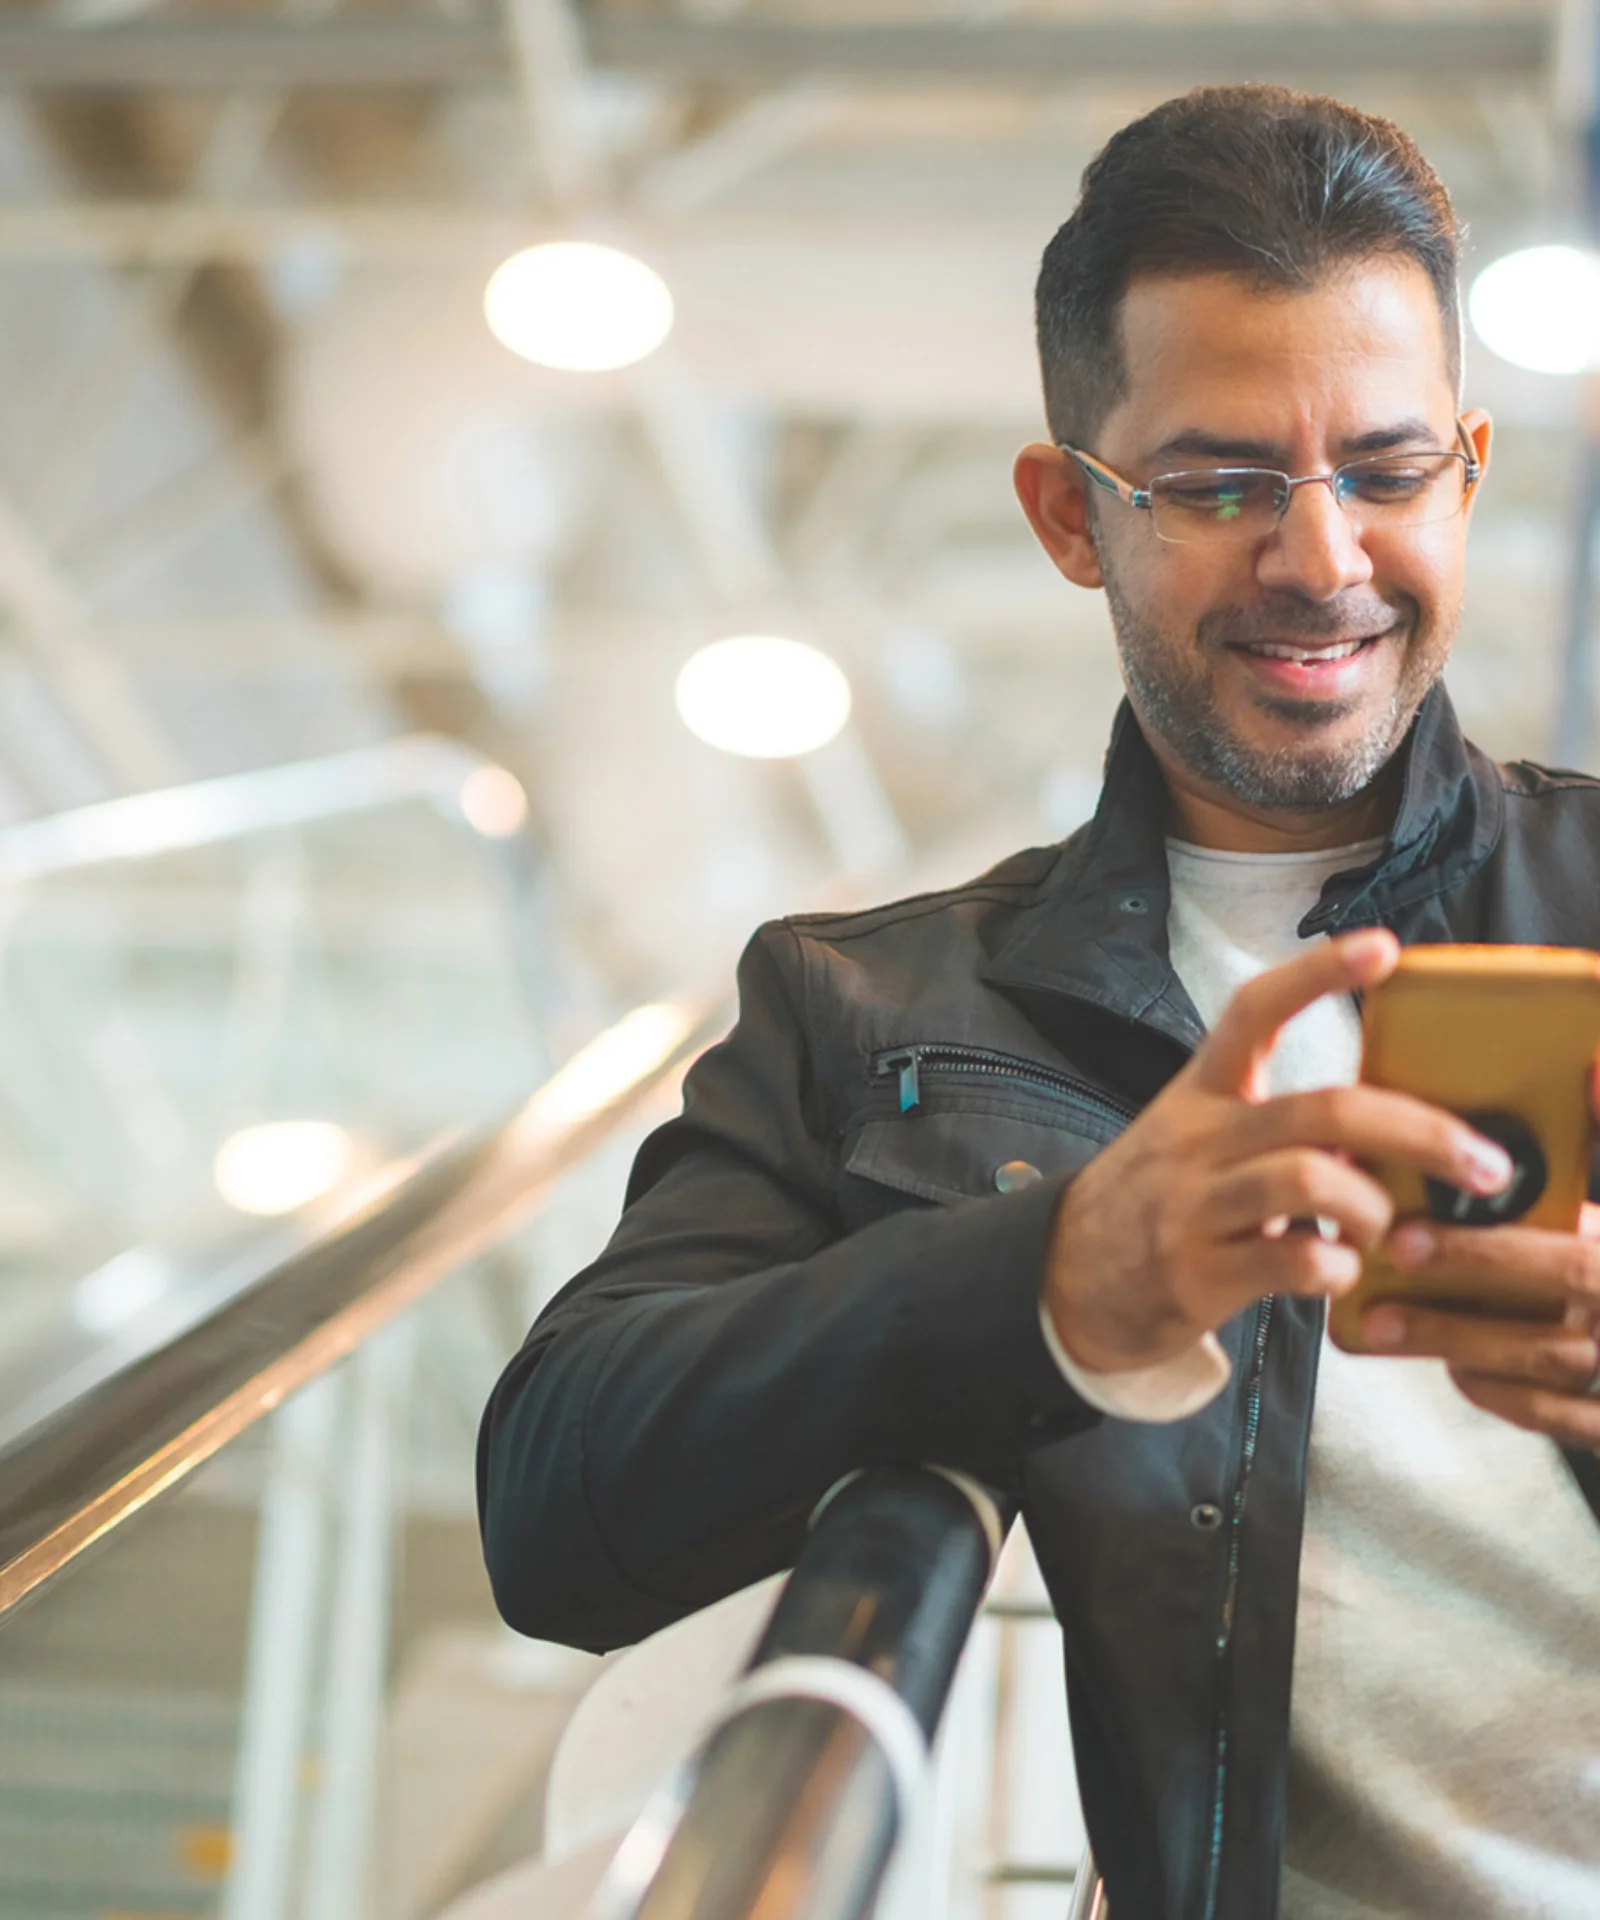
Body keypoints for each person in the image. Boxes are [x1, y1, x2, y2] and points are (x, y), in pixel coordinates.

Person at [478, 86, 1600, 1919]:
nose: (1322, 559)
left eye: (1386, 471)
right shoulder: (869, 1008)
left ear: (1467, 469)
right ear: (1070, 515)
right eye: (1222, 484)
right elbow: (557, 1500)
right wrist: (1059, 1281)